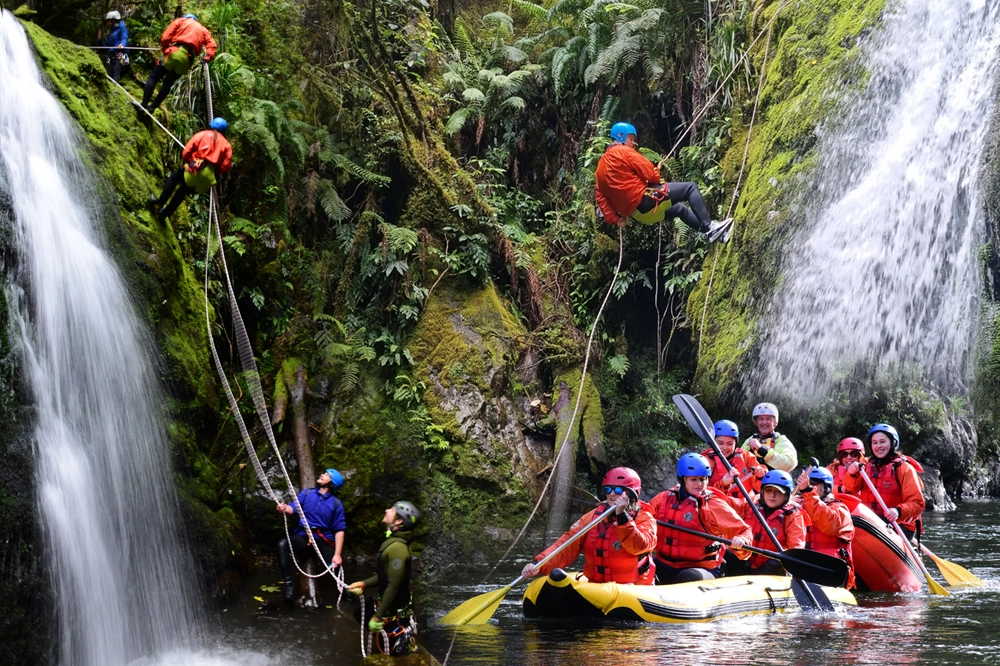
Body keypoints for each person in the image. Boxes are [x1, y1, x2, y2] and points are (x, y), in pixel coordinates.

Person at [595, 122, 733, 242]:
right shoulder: (623, 151)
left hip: (639, 215)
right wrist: (655, 173)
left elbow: (601, 198)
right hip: (646, 200)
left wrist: (617, 219)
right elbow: (649, 173)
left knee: (680, 209)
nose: (633, 143)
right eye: (631, 139)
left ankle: (713, 234)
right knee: (690, 188)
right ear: (621, 137)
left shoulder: (599, 170)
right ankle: (710, 227)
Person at [520, 467, 656, 585]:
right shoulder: (592, 518)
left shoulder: (645, 519)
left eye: (619, 490)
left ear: (632, 493)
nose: (612, 493)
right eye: (608, 489)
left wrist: (622, 517)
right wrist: (538, 564)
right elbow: (566, 546)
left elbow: (639, 546)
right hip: (596, 586)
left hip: (632, 586)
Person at [649, 453, 752, 584]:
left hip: (702, 567)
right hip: (665, 564)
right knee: (643, 567)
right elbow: (643, 517)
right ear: (683, 479)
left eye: (703, 479)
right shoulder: (664, 498)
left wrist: (742, 540)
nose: (699, 484)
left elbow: (744, 531)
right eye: (694, 480)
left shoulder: (713, 504)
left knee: (688, 576)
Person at [349, 501, 420, 656]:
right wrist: (363, 584)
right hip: (388, 602)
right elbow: (384, 576)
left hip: (396, 609)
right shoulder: (393, 542)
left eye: (392, 510)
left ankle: (404, 641)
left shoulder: (398, 549)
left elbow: (393, 585)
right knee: (360, 613)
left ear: (398, 521)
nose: (387, 510)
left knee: (396, 652)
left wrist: (377, 616)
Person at [276, 468, 347, 604]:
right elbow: (294, 508)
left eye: (326, 475)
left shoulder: (336, 504)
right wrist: (285, 509)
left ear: (331, 484)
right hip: (304, 537)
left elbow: (339, 530)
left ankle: (347, 594)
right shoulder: (308, 493)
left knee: (335, 568)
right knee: (282, 544)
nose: (322, 474)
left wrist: (337, 554)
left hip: (323, 540)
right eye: (324, 473)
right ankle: (289, 585)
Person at [843, 423, 925, 541]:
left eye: (882, 442)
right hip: (871, 521)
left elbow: (917, 504)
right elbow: (850, 488)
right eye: (875, 443)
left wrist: (898, 511)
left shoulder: (904, 468)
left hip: (899, 524)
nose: (878, 446)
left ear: (893, 443)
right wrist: (852, 474)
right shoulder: (865, 465)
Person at [726, 470, 806, 577]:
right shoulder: (751, 503)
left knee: (778, 562)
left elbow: (796, 548)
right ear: (762, 492)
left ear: (786, 495)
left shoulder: (793, 515)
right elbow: (721, 502)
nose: (772, 495)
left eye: (778, 492)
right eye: (768, 490)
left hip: (770, 569)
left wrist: (785, 558)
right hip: (745, 561)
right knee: (728, 554)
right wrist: (724, 484)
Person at [149, 118, 232, 218]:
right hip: (207, 180)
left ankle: (159, 203)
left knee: (174, 177)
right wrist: (214, 170)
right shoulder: (227, 145)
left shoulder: (203, 134)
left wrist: (189, 161)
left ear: (211, 125)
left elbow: (186, 152)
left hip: (197, 168)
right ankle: (164, 215)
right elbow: (226, 165)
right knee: (183, 191)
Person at [139, 13, 217, 113]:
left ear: (186, 17)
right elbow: (212, 44)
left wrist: (165, 48)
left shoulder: (180, 21)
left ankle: (144, 104)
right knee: (167, 83)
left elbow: (165, 37)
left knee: (154, 77)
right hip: (187, 60)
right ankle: (152, 107)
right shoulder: (203, 29)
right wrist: (207, 57)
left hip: (175, 51)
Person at [796, 466, 856, 589]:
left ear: (826, 487)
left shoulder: (840, 509)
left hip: (829, 569)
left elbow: (828, 524)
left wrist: (808, 492)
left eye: (813, 484)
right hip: (802, 565)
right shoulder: (794, 505)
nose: (809, 485)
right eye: (807, 483)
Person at [705, 419, 765, 498]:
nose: (725, 448)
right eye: (720, 443)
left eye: (730, 444)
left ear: (736, 443)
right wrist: (723, 483)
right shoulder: (706, 461)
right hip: (720, 502)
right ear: (713, 442)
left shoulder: (746, 456)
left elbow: (761, 488)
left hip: (747, 502)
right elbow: (703, 493)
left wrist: (760, 476)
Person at [741, 402, 798, 473]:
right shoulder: (750, 441)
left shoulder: (781, 441)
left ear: (775, 422)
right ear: (756, 422)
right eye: (761, 419)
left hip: (773, 479)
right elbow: (738, 461)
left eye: (768, 419)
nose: (764, 422)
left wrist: (762, 450)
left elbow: (790, 464)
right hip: (750, 479)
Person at [97, 11, 129, 83]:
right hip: (113, 57)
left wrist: (122, 44)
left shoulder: (122, 28)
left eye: (108, 21)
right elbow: (106, 48)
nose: (107, 24)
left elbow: (124, 38)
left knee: (116, 71)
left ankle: (115, 88)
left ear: (112, 20)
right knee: (108, 74)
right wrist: (99, 40)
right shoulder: (111, 34)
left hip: (123, 56)